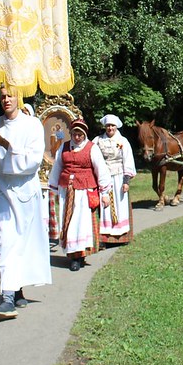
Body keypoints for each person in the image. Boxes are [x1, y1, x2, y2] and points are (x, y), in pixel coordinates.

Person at [0, 86, 52, 320]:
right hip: (1, 188)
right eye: (2, 96)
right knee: (6, 239)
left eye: (10, 96)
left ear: (18, 97)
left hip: (24, 188)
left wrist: (6, 145)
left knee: (22, 241)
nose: (6, 100)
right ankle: (6, 298)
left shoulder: (31, 124)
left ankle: (17, 288)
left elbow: (33, 161)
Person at [49, 119, 113, 271]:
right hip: (67, 191)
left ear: (84, 134)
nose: (77, 137)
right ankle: (72, 254)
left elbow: (101, 170)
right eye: (74, 134)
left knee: (81, 223)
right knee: (69, 223)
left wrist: (105, 193)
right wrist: (55, 190)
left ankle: (79, 256)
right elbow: (57, 167)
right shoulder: (64, 148)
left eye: (80, 134)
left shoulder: (92, 148)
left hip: (84, 191)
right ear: (71, 134)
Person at [94, 114, 135, 246]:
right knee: (104, 206)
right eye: (107, 126)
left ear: (116, 126)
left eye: (112, 126)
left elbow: (127, 160)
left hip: (118, 177)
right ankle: (104, 238)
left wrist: (126, 181)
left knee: (119, 205)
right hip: (103, 177)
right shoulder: (98, 141)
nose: (110, 128)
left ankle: (122, 236)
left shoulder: (123, 141)